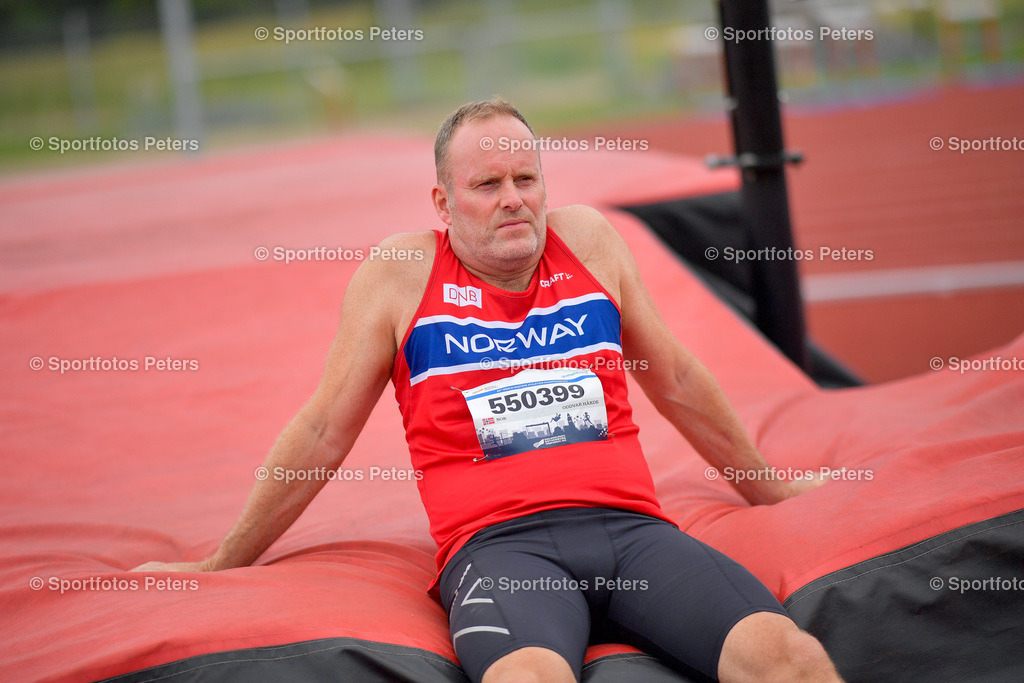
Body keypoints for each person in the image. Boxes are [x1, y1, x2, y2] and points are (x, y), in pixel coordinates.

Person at [133, 97, 842, 682]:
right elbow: (324, 429)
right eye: (487, 185)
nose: (514, 201)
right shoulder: (400, 275)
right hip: (502, 550)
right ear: (443, 201)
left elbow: (678, 378)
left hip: (633, 534)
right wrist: (225, 558)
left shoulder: (589, 242)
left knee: (792, 659)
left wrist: (771, 488)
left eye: (525, 180)